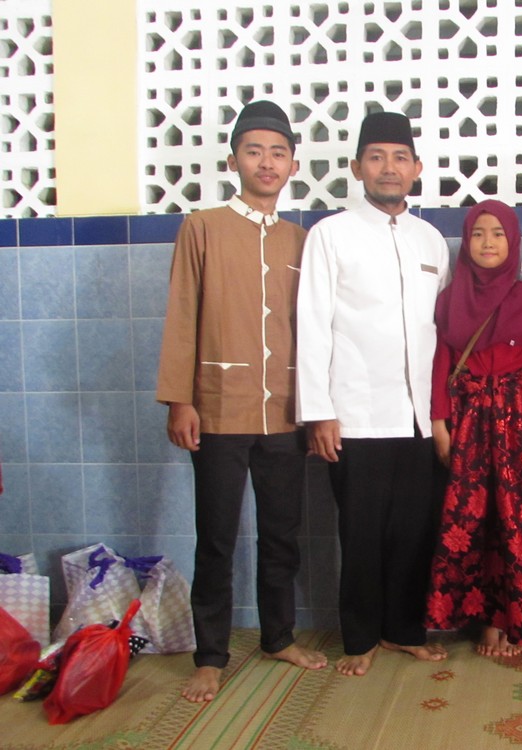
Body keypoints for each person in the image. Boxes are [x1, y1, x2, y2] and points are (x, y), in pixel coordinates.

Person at [156, 100, 328, 703]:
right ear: (234, 161)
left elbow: (316, 331)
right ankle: (210, 656)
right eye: (255, 151)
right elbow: (182, 314)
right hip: (218, 409)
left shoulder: (302, 240)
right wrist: (180, 400)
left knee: (281, 534)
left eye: (278, 153)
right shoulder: (201, 227)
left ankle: (278, 637)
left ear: (293, 165)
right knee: (217, 538)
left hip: (284, 412)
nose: (267, 162)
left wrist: (314, 409)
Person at [296, 111, 451, 676]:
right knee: (360, 534)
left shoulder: (431, 239)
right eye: (377, 157)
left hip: (419, 419)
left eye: (400, 158)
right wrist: (319, 412)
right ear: (357, 166)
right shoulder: (330, 235)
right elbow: (312, 324)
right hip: (355, 415)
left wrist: (441, 414)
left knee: (413, 532)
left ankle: (403, 630)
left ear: (417, 168)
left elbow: (441, 331)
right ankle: (360, 638)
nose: (390, 168)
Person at [424, 200, 522, 658]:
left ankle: (512, 622)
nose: (488, 242)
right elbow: (441, 365)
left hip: (519, 421)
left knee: (518, 522)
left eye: (498, 233)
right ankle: (484, 619)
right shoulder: (449, 300)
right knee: (472, 521)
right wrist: (439, 424)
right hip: (469, 422)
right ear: (466, 242)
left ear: (513, 241)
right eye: (478, 233)